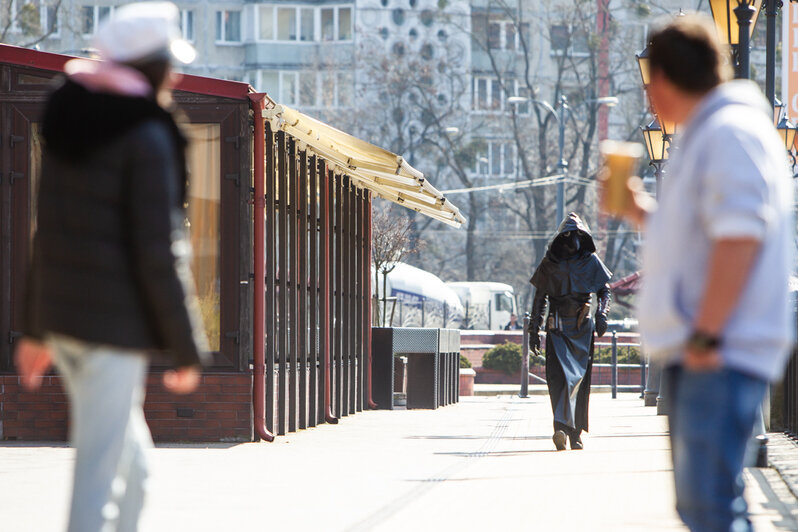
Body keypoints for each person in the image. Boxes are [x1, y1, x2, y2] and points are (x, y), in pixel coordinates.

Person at [13, 3, 209, 531]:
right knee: (97, 475)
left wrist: (36, 331)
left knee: (136, 471)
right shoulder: (148, 136)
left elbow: (47, 235)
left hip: (69, 328)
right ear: (149, 68)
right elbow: (158, 250)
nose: (178, 74)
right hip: (110, 333)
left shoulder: (69, 127)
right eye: (169, 62)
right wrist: (186, 347)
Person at [608, 15, 794, 532]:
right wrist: (641, 211)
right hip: (713, 347)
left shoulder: (728, 132)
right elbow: (708, 235)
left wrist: (706, 337)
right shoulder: (716, 132)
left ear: (665, 79)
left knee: (711, 507)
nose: (649, 98)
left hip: (720, 350)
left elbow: (739, 240)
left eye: (650, 82)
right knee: (709, 506)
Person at [528, 213, 612, 450]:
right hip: (557, 328)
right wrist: (533, 329)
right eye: (566, 236)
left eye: (576, 235)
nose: (571, 241)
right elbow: (540, 297)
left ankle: (573, 432)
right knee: (558, 378)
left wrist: (602, 314)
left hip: (582, 328)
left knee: (578, 380)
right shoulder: (549, 263)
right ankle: (560, 428)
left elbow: (605, 290)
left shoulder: (590, 261)